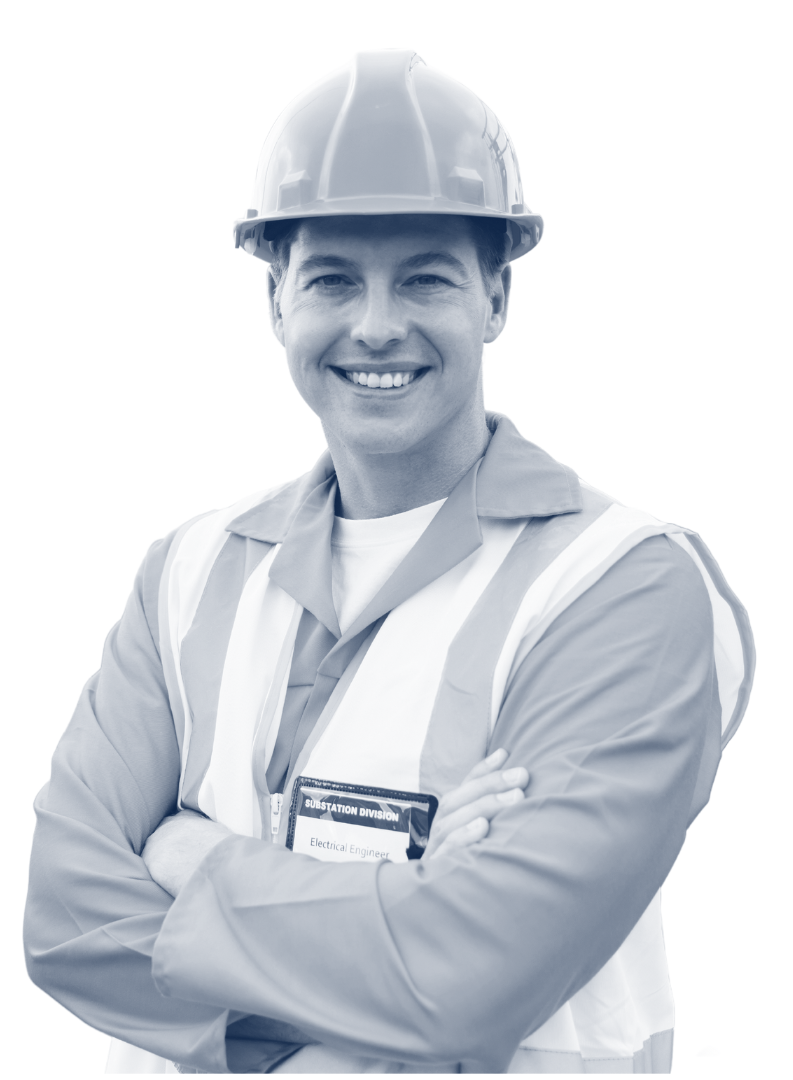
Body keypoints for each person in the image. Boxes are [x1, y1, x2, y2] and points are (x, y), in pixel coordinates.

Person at [23, 48, 755, 1075]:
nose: (376, 326)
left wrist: (191, 857)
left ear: (496, 295)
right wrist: (380, 942)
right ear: (277, 300)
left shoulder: (621, 584)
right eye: (332, 280)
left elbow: (471, 978)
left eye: (424, 277)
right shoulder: (186, 571)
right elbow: (63, 911)